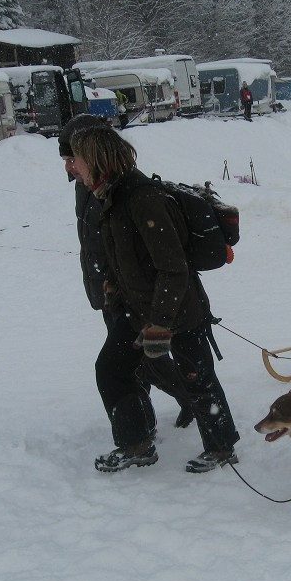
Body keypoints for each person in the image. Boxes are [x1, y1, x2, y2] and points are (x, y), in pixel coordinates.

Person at [69, 125, 240, 474]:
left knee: (197, 377)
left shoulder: (143, 199)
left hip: (178, 310)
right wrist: (114, 285)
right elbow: (124, 254)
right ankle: (137, 444)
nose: (75, 169)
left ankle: (222, 448)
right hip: (137, 309)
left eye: (79, 161)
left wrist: (161, 324)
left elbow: (173, 269)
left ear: (98, 161)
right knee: (112, 369)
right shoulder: (111, 198)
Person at [58, 116, 195, 431]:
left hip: (130, 293)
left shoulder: (123, 189)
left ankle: (185, 402)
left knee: (138, 362)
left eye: (71, 158)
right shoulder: (89, 186)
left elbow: (137, 248)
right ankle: (144, 419)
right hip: (112, 289)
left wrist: (118, 285)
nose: (69, 167)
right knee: (132, 364)